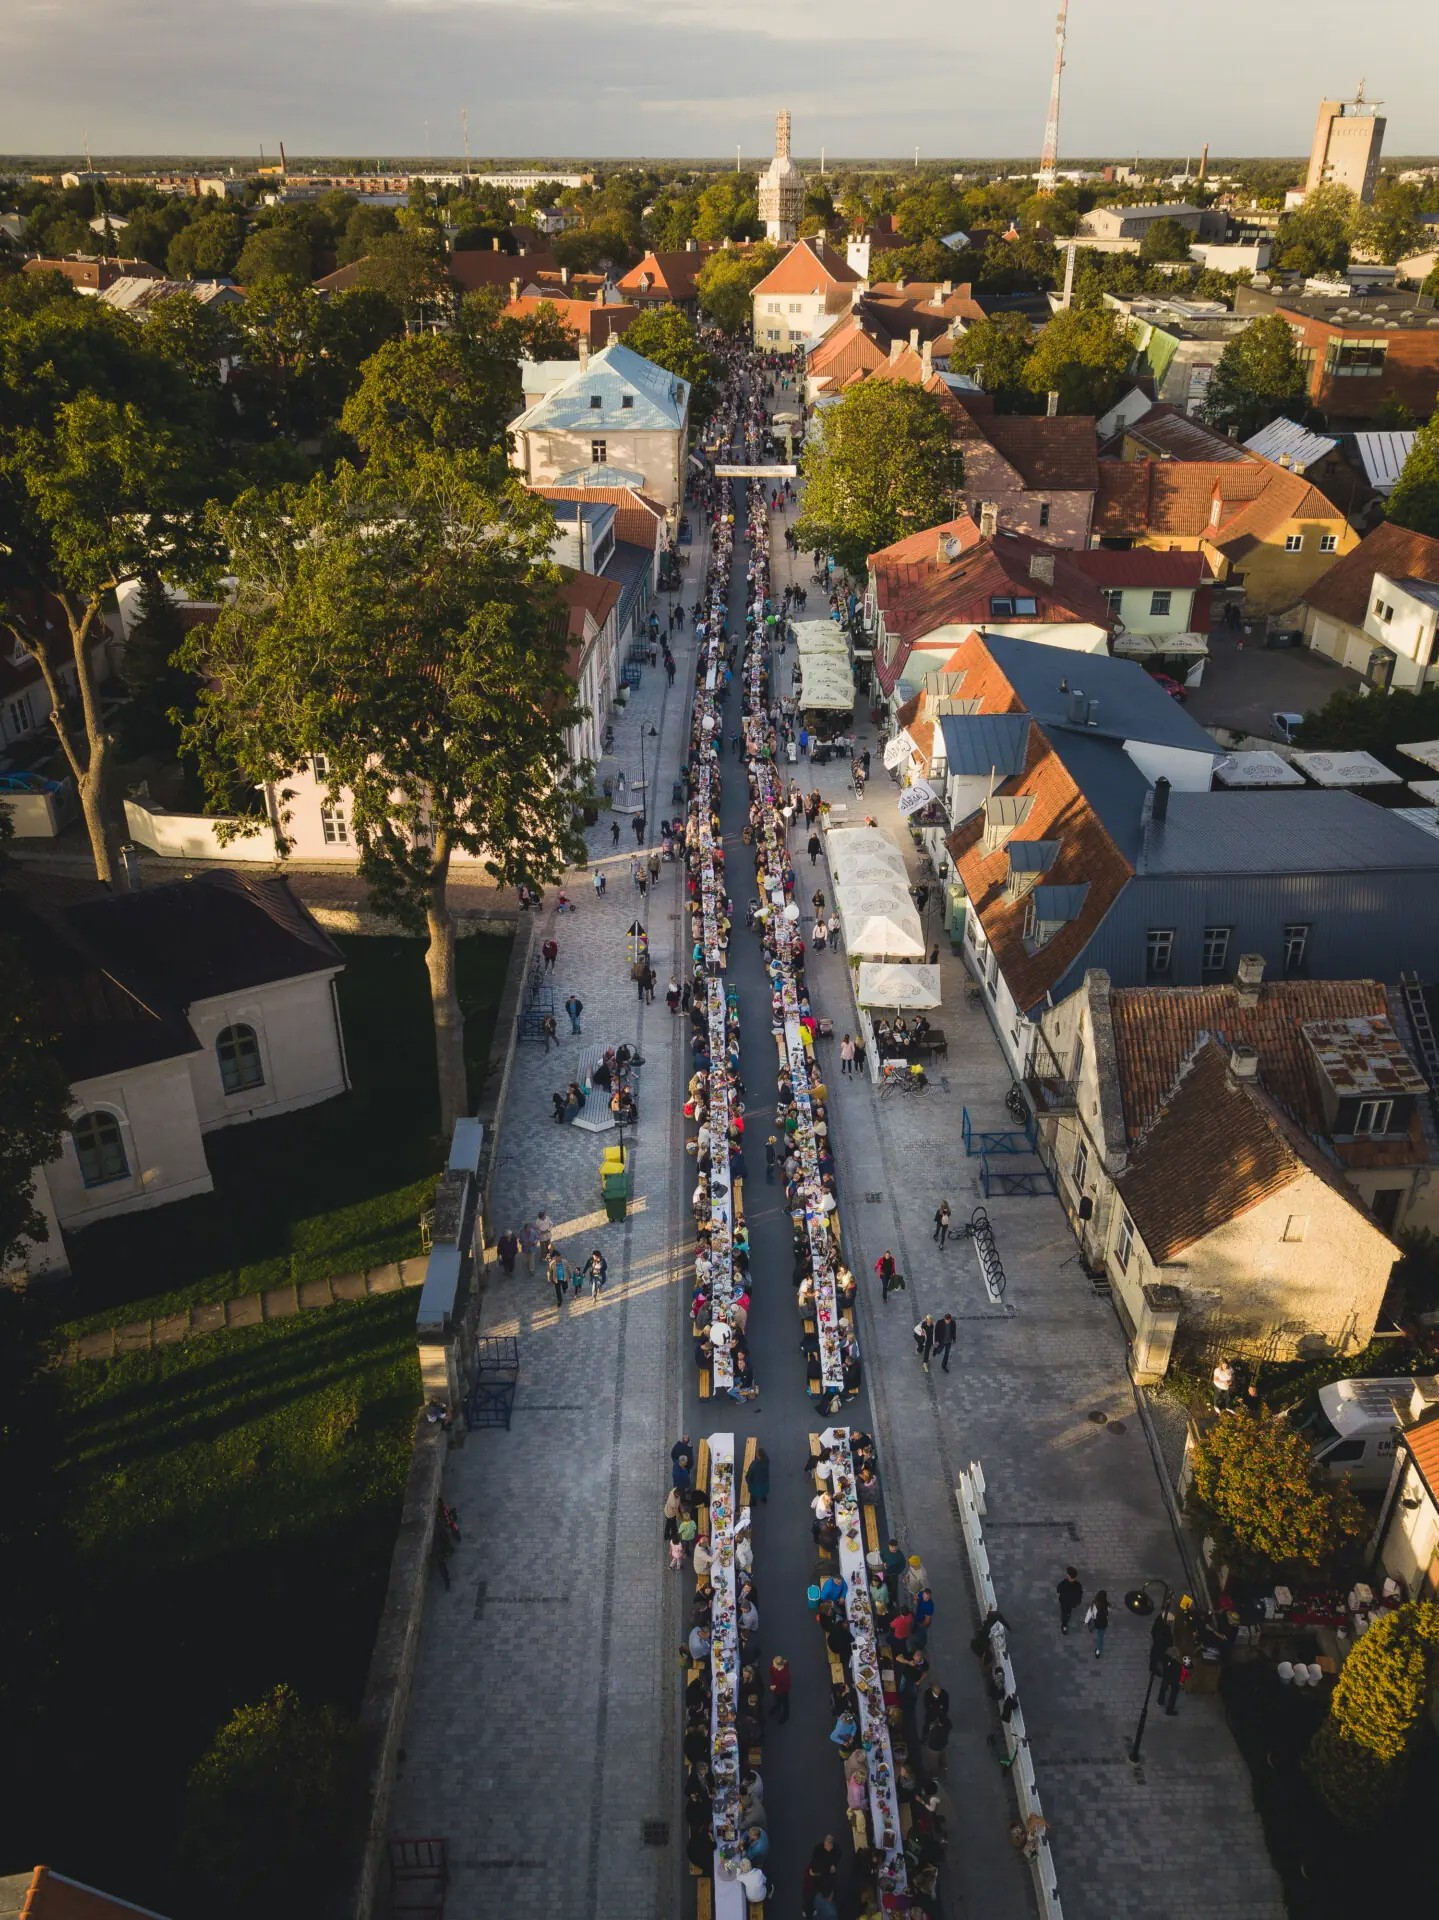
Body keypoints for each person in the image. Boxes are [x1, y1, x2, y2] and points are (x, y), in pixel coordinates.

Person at [1057, 1566, 1083, 1634]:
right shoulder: (1078, 1585)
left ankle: (1064, 1626)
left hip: (1064, 1602)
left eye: (1067, 1574)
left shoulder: (1064, 1583)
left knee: (1064, 1614)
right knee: (1069, 1610)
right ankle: (1068, 1615)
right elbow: (1080, 1595)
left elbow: (1058, 1589)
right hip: (1072, 1603)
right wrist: (1077, 1602)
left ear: (1069, 1576)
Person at [768, 1653, 791, 1722]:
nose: (773, 1665)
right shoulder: (774, 1668)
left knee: (785, 1704)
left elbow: (787, 1685)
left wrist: (775, 1686)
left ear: (779, 1665)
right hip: (776, 1689)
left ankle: (785, 1716)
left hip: (782, 1691)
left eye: (774, 1664)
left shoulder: (784, 1675)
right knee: (777, 1700)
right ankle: (776, 1707)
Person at [1087, 1589, 1110, 1658]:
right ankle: (1098, 1651)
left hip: (1096, 1622)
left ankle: (1092, 1629)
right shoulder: (1107, 1605)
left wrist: (1086, 1621)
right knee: (1100, 1637)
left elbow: (1090, 1613)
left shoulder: (1094, 1604)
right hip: (1103, 1623)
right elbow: (1107, 1614)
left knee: (1095, 1629)